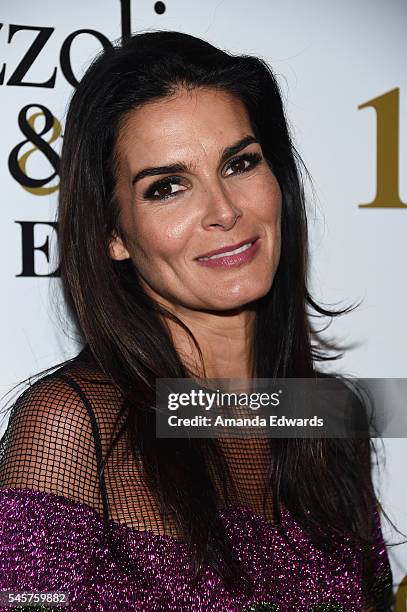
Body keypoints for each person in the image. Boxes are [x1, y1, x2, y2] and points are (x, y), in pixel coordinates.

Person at [0, 30, 395, 611]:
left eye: (239, 164)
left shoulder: (331, 418)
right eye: (168, 187)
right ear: (113, 234)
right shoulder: (74, 428)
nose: (225, 211)